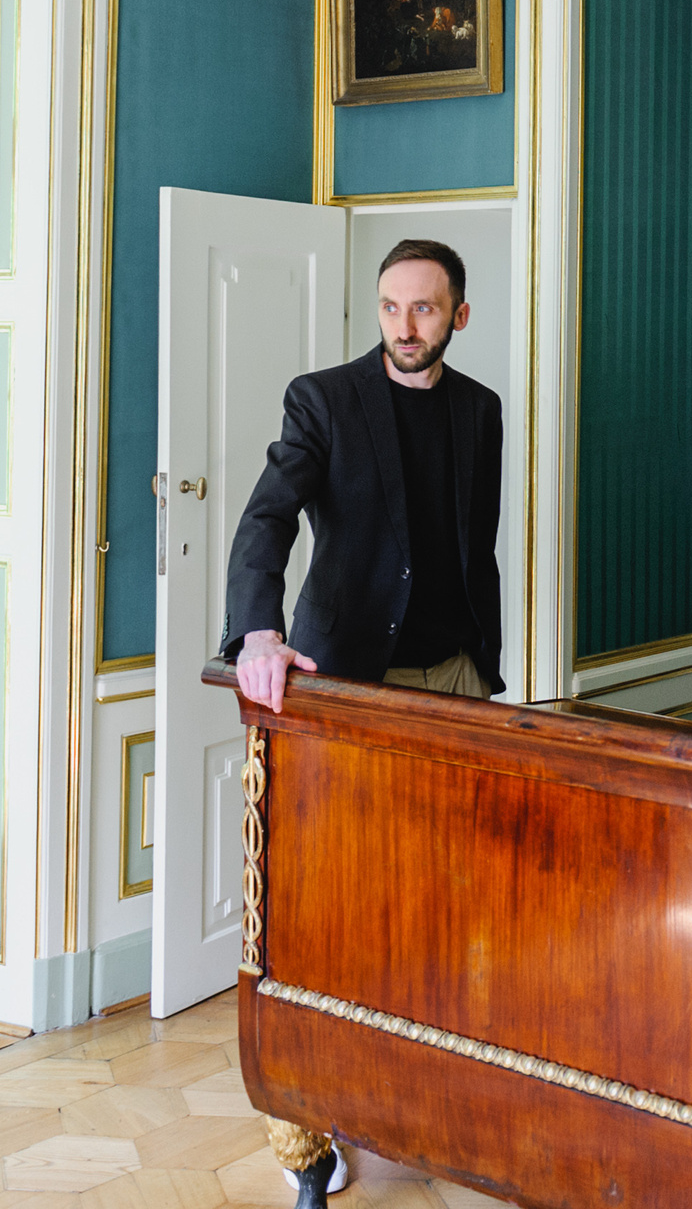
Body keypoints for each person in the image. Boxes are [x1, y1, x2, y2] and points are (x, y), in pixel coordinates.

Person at [216, 237, 505, 1205]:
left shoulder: (482, 412)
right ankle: (316, 1130)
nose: (405, 327)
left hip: (456, 681)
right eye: (390, 307)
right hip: (351, 687)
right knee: (340, 909)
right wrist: (257, 628)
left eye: (425, 310)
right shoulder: (323, 401)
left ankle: (439, 1091)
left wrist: (487, 670)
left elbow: (477, 554)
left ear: (458, 316)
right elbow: (268, 519)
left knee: (452, 898)